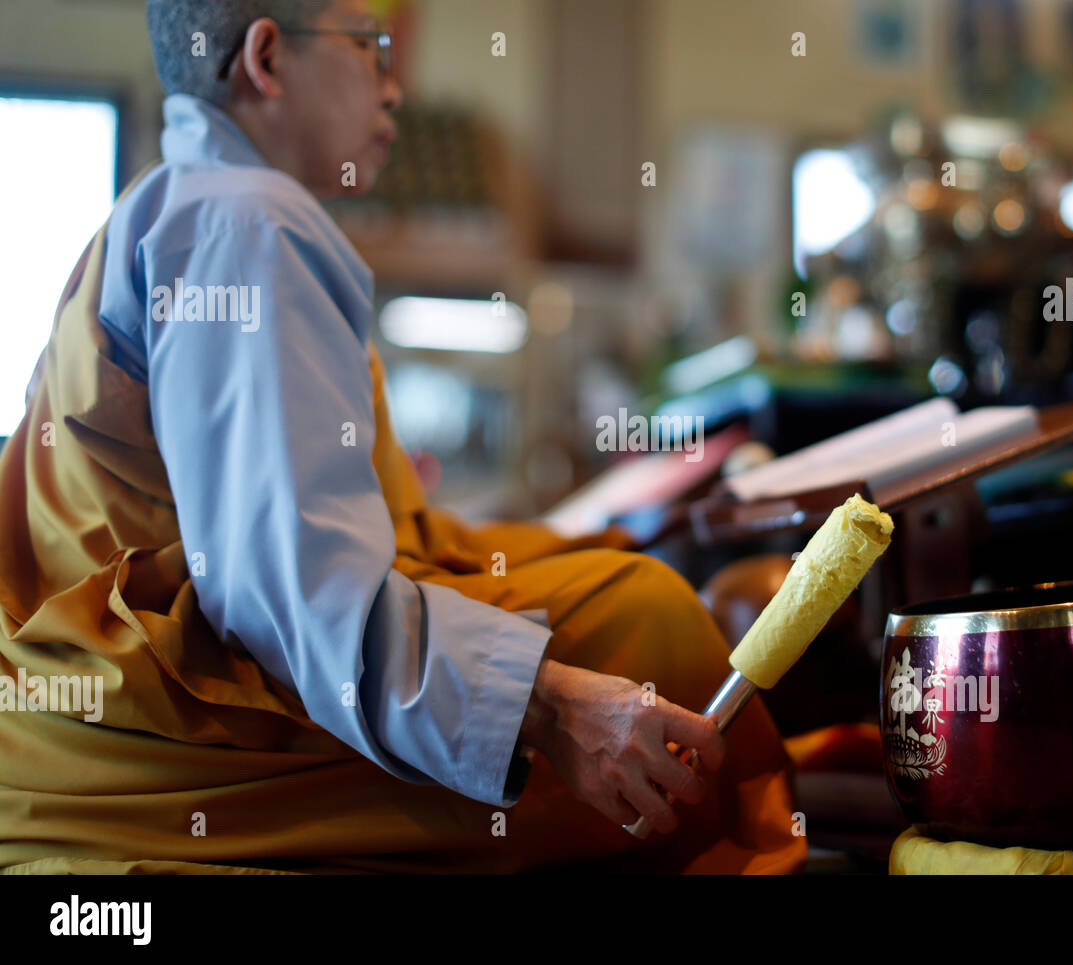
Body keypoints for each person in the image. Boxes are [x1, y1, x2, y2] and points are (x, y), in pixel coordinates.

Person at [0, 0, 805, 874]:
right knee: (645, 620)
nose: (396, 86)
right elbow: (285, 589)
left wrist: (584, 533)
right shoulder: (241, 220)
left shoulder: (192, 202)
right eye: (369, 48)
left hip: (93, 712)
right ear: (268, 58)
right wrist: (550, 708)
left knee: (613, 575)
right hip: (158, 732)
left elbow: (360, 534)